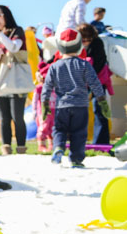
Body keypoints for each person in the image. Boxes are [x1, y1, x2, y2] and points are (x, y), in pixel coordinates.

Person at [42, 29, 109, 167]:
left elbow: (47, 86)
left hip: (62, 106)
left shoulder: (54, 66)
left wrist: (45, 103)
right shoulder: (84, 64)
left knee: (59, 129)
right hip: (81, 105)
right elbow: (95, 83)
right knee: (79, 132)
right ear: (79, 46)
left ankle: (59, 147)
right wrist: (102, 100)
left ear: (60, 47)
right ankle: (76, 159)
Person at [0, 5, 30, 155]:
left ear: (6, 15)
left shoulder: (16, 31)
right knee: (4, 118)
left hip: (16, 79)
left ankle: (21, 148)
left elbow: (13, 47)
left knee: (17, 116)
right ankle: (6, 147)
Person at [78, 23, 113, 145]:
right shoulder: (79, 44)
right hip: (85, 82)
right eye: (83, 38)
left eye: (88, 38)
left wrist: (89, 80)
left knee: (99, 110)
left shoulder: (97, 43)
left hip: (97, 82)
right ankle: (90, 140)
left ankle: (101, 141)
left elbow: (99, 62)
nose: (85, 41)